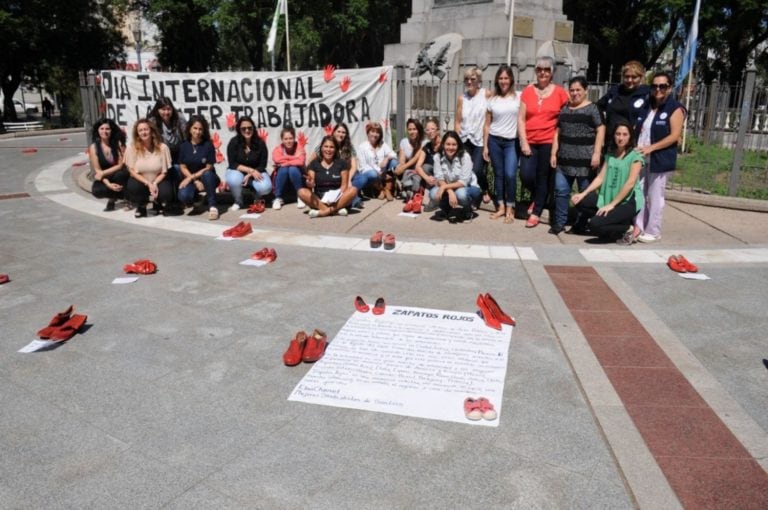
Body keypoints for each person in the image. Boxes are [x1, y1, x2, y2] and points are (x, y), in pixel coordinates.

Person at [633, 71, 686, 243]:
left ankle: (653, 230)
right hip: (641, 157)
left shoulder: (675, 108)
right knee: (639, 192)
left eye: (662, 86)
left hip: (660, 158)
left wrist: (652, 148)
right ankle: (638, 226)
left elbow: (674, 136)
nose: (658, 89)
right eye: (655, 86)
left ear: (670, 88)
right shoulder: (647, 106)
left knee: (655, 195)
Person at [571, 122, 644, 242]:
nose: (621, 138)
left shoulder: (635, 156)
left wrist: (611, 205)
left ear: (630, 136)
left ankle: (628, 228)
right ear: (613, 135)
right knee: (580, 201)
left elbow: (630, 183)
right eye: (618, 134)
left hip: (627, 201)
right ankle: (610, 222)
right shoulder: (610, 155)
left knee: (594, 225)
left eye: (625, 134)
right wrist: (583, 194)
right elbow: (600, 178)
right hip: (609, 197)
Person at [518, 56, 569, 228]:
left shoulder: (560, 93)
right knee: (526, 174)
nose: (543, 73)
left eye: (547, 70)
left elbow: (566, 117)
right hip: (530, 140)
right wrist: (524, 142)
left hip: (549, 140)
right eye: (540, 69)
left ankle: (536, 211)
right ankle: (540, 196)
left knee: (542, 176)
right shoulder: (528, 91)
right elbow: (521, 119)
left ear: (552, 72)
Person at [550, 76, 605, 234]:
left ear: (585, 91)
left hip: (585, 161)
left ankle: (581, 224)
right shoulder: (565, 109)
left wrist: (597, 153)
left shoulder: (593, 108)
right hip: (564, 160)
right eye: (572, 90)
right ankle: (559, 223)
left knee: (585, 195)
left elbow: (601, 129)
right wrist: (554, 153)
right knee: (561, 192)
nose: (574, 93)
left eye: (578, 90)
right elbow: (557, 132)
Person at [483, 64, 520, 223]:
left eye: (506, 78)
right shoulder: (492, 100)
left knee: (510, 174)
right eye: (500, 78)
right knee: (498, 174)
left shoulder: (519, 96)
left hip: (511, 142)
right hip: (495, 141)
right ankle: (501, 207)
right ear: (497, 80)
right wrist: (485, 146)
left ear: (511, 79)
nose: (503, 81)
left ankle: (510, 208)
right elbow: (487, 124)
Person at [298, 135, 358, 218]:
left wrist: (335, 197)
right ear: (321, 148)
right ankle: (334, 211)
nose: (328, 150)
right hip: (319, 199)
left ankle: (323, 212)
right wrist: (310, 184)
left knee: (353, 190)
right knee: (301, 192)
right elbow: (311, 183)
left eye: (331, 147)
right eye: (326, 146)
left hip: (337, 199)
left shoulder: (342, 163)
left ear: (336, 149)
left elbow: (344, 186)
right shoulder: (314, 164)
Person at [124, 119, 174, 218]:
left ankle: (158, 202)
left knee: (166, 193)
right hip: (141, 180)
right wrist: (148, 183)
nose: (144, 132)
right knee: (133, 187)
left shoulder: (163, 148)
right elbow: (131, 171)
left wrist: (154, 183)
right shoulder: (131, 148)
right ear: (137, 133)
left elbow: (164, 172)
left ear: (151, 131)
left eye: (146, 129)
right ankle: (141, 206)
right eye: (140, 130)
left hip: (158, 180)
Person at [455, 67, 490, 204]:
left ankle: (485, 188)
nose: (469, 82)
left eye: (472, 79)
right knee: (465, 169)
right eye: (467, 79)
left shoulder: (486, 94)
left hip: (479, 139)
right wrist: (456, 140)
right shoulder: (461, 98)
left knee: (477, 169)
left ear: (479, 81)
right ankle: (471, 195)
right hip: (464, 138)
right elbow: (458, 121)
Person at [430, 131, 481, 223]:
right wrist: (449, 191)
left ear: (458, 145)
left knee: (460, 194)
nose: (450, 147)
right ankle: (446, 209)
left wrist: (445, 187)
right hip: (450, 186)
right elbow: (440, 178)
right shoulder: (438, 156)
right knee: (433, 194)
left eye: (454, 144)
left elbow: (463, 182)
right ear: (443, 144)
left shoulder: (465, 156)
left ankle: (467, 209)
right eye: (448, 144)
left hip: (468, 187)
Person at [177, 115, 220, 220]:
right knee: (183, 196)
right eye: (195, 128)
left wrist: (192, 178)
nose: (197, 131)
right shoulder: (183, 146)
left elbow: (208, 167)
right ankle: (197, 199)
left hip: (208, 178)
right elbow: (182, 167)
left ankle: (213, 206)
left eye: (200, 129)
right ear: (190, 129)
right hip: (191, 178)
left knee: (207, 174)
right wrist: (195, 180)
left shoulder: (208, 145)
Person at [225, 116, 272, 211]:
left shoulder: (260, 143)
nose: (247, 130)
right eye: (243, 128)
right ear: (239, 130)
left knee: (266, 187)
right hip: (238, 171)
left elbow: (263, 165)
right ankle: (238, 201)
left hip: (256, 171)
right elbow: (232, 164)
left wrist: (250, 174)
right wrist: (250, 171)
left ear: (253, 128)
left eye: (250, 128)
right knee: (234, 179)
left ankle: (257, 196)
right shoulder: (234, 142)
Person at [597, 60, 650, 143]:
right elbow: (598, 107)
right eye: (627, 76)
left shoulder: (647, 94)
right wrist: (602, 125)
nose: (629, 80)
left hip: (632, 141)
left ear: (641, 77)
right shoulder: (615, 91)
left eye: (634, 77)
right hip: (611, 139)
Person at [89, 118, 128, 212]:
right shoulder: (94, 147)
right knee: (96, 190)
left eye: (107, 129)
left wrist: (102, 173)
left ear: (111, 130)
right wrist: (108, 184)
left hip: (119, 174)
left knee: (121, 174)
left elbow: (120, 165)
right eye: (101, 128)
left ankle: (127, 198)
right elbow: (98, 171)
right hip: (106, 177)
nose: (104, 131)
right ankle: (113, 197)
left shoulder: (118, 143)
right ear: (97, 131)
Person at [355, 122, 398, 201]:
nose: (375, 134)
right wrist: (378, 172)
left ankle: (387, 189)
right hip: (370, 174)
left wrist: (387, 158)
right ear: (368, 133)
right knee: (373, 174)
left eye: (377, 132)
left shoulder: (382, 144)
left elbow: (394, 154)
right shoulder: (362, 147)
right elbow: (362, 166)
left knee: (394, 162)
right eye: (373, 131)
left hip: (382, 171)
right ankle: (382, 189)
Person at [271, 126, 306, 210]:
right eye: (286, 139)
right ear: (282, 140)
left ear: (294, 138)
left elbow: (300, 162)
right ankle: (277, 198)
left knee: (292, 169)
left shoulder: (299, 148)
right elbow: (277, 159)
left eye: (291, 138)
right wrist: (294, 157)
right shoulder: (278, 149)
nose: (288, 141)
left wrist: (284, 163)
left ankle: (300, 196)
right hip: (282, 178)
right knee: (283, 169)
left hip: (297, 177)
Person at [393, 118, 425, 200]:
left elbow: (415, 158)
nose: (412, 132)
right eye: (410, 129)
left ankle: (409, 188)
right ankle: (402, 186)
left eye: (414, 129)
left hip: (418, 166)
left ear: (418, 129)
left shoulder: (423, 142)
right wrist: (400, 166)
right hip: (407, 165)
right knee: (396, 166)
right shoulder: (404, 141)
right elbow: (402, 158)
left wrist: (403, 167)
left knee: (407, 170)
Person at [414, 117, 441, 208]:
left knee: (426, 167)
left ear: (438, 130)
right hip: (430, 178)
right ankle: (424, 191)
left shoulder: (445, 144)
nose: (430, 131)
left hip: (442, 176)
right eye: (428, 130)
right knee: (424, 167)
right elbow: (418, 166)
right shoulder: (427, 146)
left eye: (433, 129)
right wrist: (427, 178)